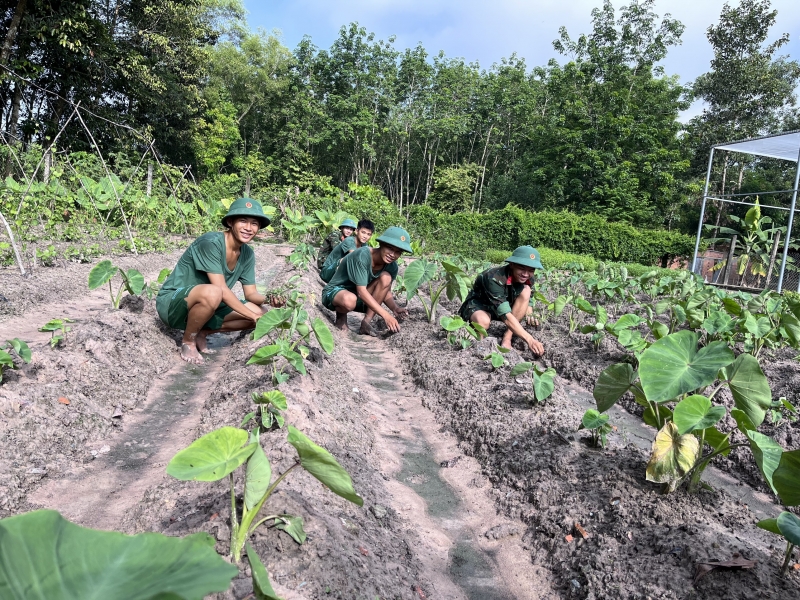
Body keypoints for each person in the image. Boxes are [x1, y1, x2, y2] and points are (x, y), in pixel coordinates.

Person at [156, 197, 271, 364]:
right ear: (231, 222)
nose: (248, 228)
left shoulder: (247, 254)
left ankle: (203, 332)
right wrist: (252, 316)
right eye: (243, 221)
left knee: (264, 313)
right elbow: (221, 289)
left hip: (212, 303)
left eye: (254, 223)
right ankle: (188, 341)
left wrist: (269, 299)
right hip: (174, 304)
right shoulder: (210, 243)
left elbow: (251, 293)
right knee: (214, 292)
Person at [322, 226, 411, 336]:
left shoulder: (392, 267)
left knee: (386, 277)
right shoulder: (362, 255)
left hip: (359, 299)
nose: (392, 254)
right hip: (335, 293)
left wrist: (395, 308)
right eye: (390, 248)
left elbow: (385, 290)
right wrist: (386, 315)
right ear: (381, 244)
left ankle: (365, 324)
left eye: (398, 252)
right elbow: (361, 292)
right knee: (349, 300)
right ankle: (341, 317)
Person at [459, 245, 545, 356]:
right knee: (483, 322)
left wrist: (530, 311)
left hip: (503, 305)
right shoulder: (492, 277)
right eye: (522, 268)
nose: (525, 274)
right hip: (480, 305)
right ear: (512, 264)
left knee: (526, 290)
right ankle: (478, 347)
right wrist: (529, 339)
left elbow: (529, 296)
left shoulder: (528, 278)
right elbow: (505, 314)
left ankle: (507, 337)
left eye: (531, 270)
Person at [319, 219, 375, 283]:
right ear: (356, 231)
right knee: (349, 260)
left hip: (339, 274)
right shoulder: (349, 240)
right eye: (363, 232)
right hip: (327, 272)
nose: (365, 236)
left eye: (368, 234)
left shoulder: (364, 245)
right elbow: (355, 257)